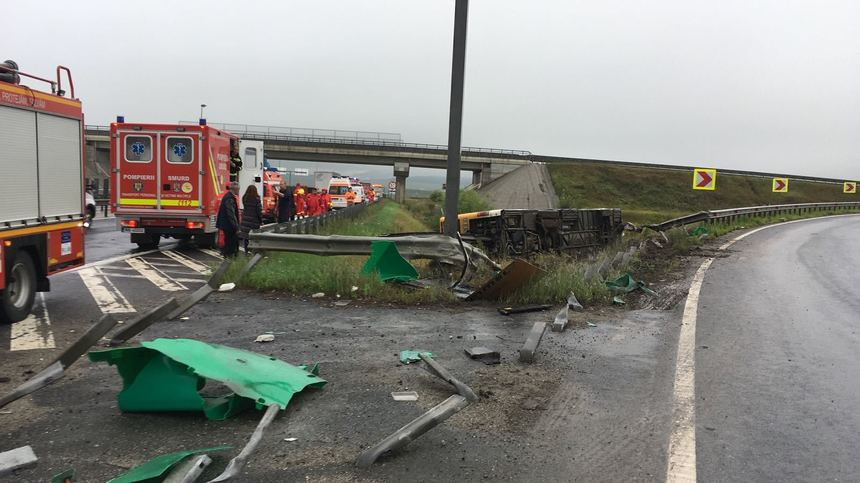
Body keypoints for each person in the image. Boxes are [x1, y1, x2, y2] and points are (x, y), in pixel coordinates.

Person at [215, 182, 240, 257]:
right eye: (238, 189)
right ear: (235, 189)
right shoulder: (230, 198)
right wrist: (236, 226)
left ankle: (228, 256)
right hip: (229, 225)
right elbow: (231, 213)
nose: (238, 191)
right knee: (230, 243)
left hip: (225, 224)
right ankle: (229, 257)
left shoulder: (227, 196)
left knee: (228, 241)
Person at [239, 185, 262, 253]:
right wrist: (260, 220)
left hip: (245, 220)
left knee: (246, 237)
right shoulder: (257, 199)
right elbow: (259, 211)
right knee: (254, 237)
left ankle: (246, 251)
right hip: (254, 221)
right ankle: (253, 251)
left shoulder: (244, 198)